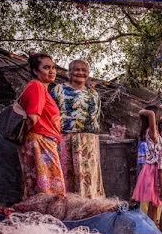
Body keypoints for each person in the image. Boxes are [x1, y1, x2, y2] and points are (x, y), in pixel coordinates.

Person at [50, 59, 105, 198]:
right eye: (76, 69)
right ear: (69, 73)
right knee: (66, 174)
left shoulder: (93, 94)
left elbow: (95, 118)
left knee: (88, 176)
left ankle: (88, 205)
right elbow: (51, 115)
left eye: (84, 70)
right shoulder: (59, 89)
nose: (80, 72)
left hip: (89, 141)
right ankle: (68, 207)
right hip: (65, 138)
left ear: (88, 74)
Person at [18, 53, 65, 199]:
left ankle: (40, 218)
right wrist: (32, 140)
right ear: (35, 71)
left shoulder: (41, 89)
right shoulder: (37, 86)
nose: (52, 71)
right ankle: (46, 219)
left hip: (40, 140)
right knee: (50, 189)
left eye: (53, 67)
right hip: (40, 141)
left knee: (40, 187)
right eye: (46, 67)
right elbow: (32, 117)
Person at [132, 104, 162, 223]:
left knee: (156, 200)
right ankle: (152, 223)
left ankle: (154, 222)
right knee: (153, 200)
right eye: (161, 116)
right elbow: (150, 114)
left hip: (156, 168)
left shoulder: (158, 133)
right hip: (153, 170)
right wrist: (143, 111)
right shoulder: (152, 132)